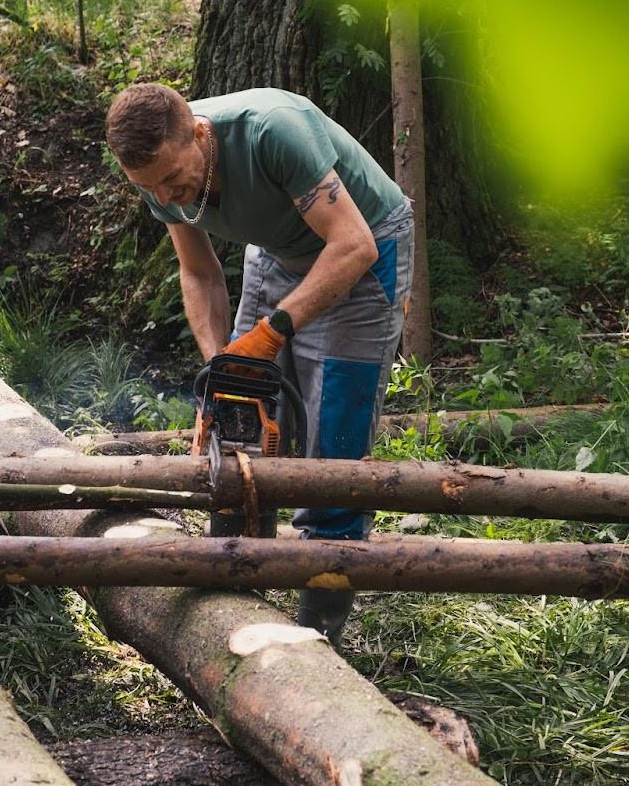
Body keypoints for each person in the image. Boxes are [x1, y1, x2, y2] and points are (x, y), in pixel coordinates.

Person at [105, 84, 414, 647]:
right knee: (237, 421)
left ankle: (320, 637)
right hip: (276, 253)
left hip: (365, 251)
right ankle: (237, 597)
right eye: (152, 189)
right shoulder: (158, 179)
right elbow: (198, 272)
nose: (168, 196)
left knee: (334, 456)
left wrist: (271, 334)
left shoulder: (273, 130)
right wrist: (221, 362)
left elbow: (354, 245)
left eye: (175, 179)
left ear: (201, 134)